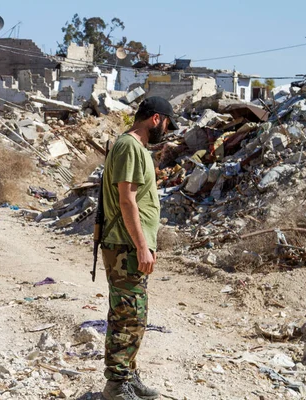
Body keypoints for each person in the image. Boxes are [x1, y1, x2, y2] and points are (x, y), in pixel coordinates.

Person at [100, 97, 178, 400]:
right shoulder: (130, 146)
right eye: (168, 124)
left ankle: (128, 376)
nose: (168, 131)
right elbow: (127, 201)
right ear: (156, 119)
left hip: (129, 246)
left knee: (134, 314)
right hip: (125, 247)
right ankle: (116, 385)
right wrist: (142, 247)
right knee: (127, 314)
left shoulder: (136, 148)